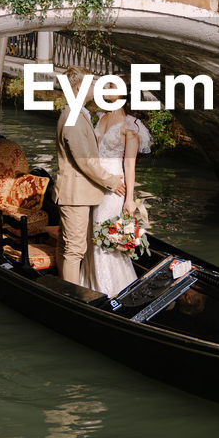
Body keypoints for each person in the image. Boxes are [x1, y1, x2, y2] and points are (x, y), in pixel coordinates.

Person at [54, 66, 125, 286]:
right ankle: (72, 298)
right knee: (74, 251)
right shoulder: (73, 117)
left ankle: (65, 288)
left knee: (68, 246)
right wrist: (112, 181)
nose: (95, 87)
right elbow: (86, 162)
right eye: (92, 83)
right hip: (74, 194)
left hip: (78, 193)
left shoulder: (78, 113)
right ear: (79, 88)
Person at [83, 105, 152, 298]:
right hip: (95, 181)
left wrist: (129, 200)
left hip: (115, 186)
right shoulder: (102, 116)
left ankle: (109, 291)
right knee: (91, 236)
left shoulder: (131, 124)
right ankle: (90, 284)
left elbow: (130, 165)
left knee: (105, 239)